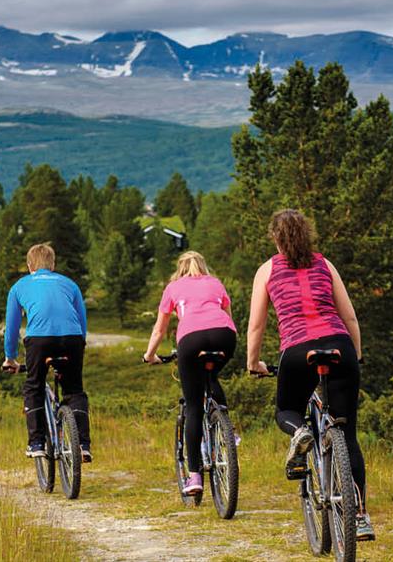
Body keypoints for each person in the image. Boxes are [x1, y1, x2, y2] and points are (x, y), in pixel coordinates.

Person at [245, 209, 374, 541]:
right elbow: (351, 317)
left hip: (298, 351)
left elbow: (257, 325)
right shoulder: (324, 263)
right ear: (307, 234)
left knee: (285, 410)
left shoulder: (267, 270)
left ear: (275, 237)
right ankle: (359, 517)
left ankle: (301, 431)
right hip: (339, 347)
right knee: (347, 433)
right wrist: (356, 357)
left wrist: (253, 362)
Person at [143, 251, 237, 496]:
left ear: (180, 268)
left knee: (194, 405)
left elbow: (159, 329)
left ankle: (194, 475)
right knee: (211, 376)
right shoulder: (215, 283)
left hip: (191, 340)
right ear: (203, 266)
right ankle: (229, 433)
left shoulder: (173, 287)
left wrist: (150, 355)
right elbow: (229, 317)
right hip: (225, 336)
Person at [3, 243, 92, 463]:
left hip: (39, 340)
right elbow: (82, 320)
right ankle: (82, 445)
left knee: (33, 385)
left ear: (29, 265)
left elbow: (12, 327)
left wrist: (10, 357)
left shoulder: (19, 286)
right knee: (74, 390)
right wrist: (80, 343)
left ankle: (37, 443)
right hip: (72, 338)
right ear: (53, 265)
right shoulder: (70, 284)